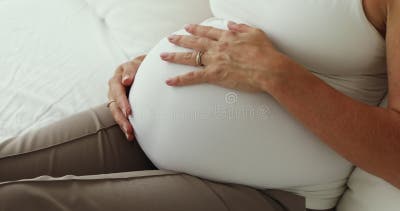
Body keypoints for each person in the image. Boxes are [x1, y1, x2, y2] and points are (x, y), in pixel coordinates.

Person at [0, 0, 398, 210]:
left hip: (272, 190)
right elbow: (236, 25)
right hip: (136, 126)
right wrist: (150, 60)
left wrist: (276, 74)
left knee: (19, 203)